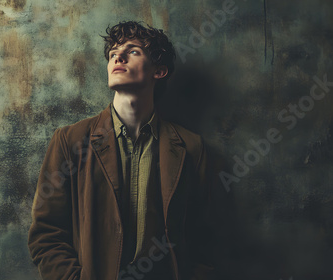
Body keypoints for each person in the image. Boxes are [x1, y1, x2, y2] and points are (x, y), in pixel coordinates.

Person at [28, 21, 214, 280]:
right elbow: (47, 235)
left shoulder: (190, 147)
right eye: (113, 53)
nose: (119, 57)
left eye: (133, 51)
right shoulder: (70, 141)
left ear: (159, 71)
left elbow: (204, 239)